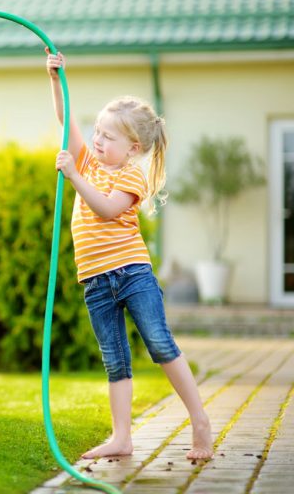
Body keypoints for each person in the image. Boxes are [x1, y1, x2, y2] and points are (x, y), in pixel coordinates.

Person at [45, 50, 213, 461]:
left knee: (159, 343)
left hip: (131, 273)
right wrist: (55, 78)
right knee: (114, 360)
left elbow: (105, 208)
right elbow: (66, 123)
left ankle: (200, 421)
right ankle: (122, 438)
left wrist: (73, 176)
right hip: (95, 280)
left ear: (133, 146)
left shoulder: (130, 175)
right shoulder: (90, 159)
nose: (97, 141)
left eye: (108, 137)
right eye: (97, 132)